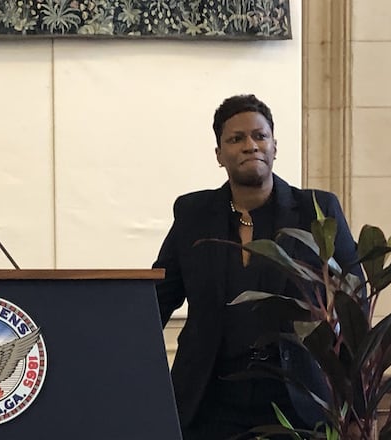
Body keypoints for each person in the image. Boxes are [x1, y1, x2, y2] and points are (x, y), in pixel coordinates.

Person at [152, 94, 364, 439]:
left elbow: (356, 306)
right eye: (236, 139)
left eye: (259, 136)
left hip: (298, 400)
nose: (250, 145)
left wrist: (358, 409)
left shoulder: (317, 210)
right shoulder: (193, 214)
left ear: (274, 147)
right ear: (219, 155)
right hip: (208, 402)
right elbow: (156, 301)